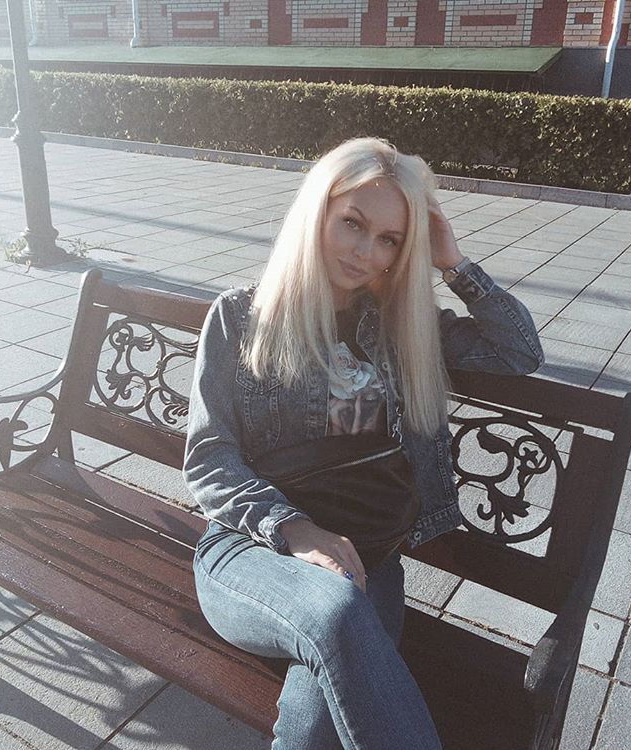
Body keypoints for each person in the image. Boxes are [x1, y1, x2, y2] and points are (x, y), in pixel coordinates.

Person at [184, 137, 544, 750]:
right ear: (317, 211)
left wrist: (453, 263)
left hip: (368, 566)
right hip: (250, 551)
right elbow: (209, 458)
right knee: (336, 611)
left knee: (314, 726)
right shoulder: (240, 318)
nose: (366, 253)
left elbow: (519, 351)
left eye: (390, 240)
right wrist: (298, 530)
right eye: (353, 223)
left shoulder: (406, 327)